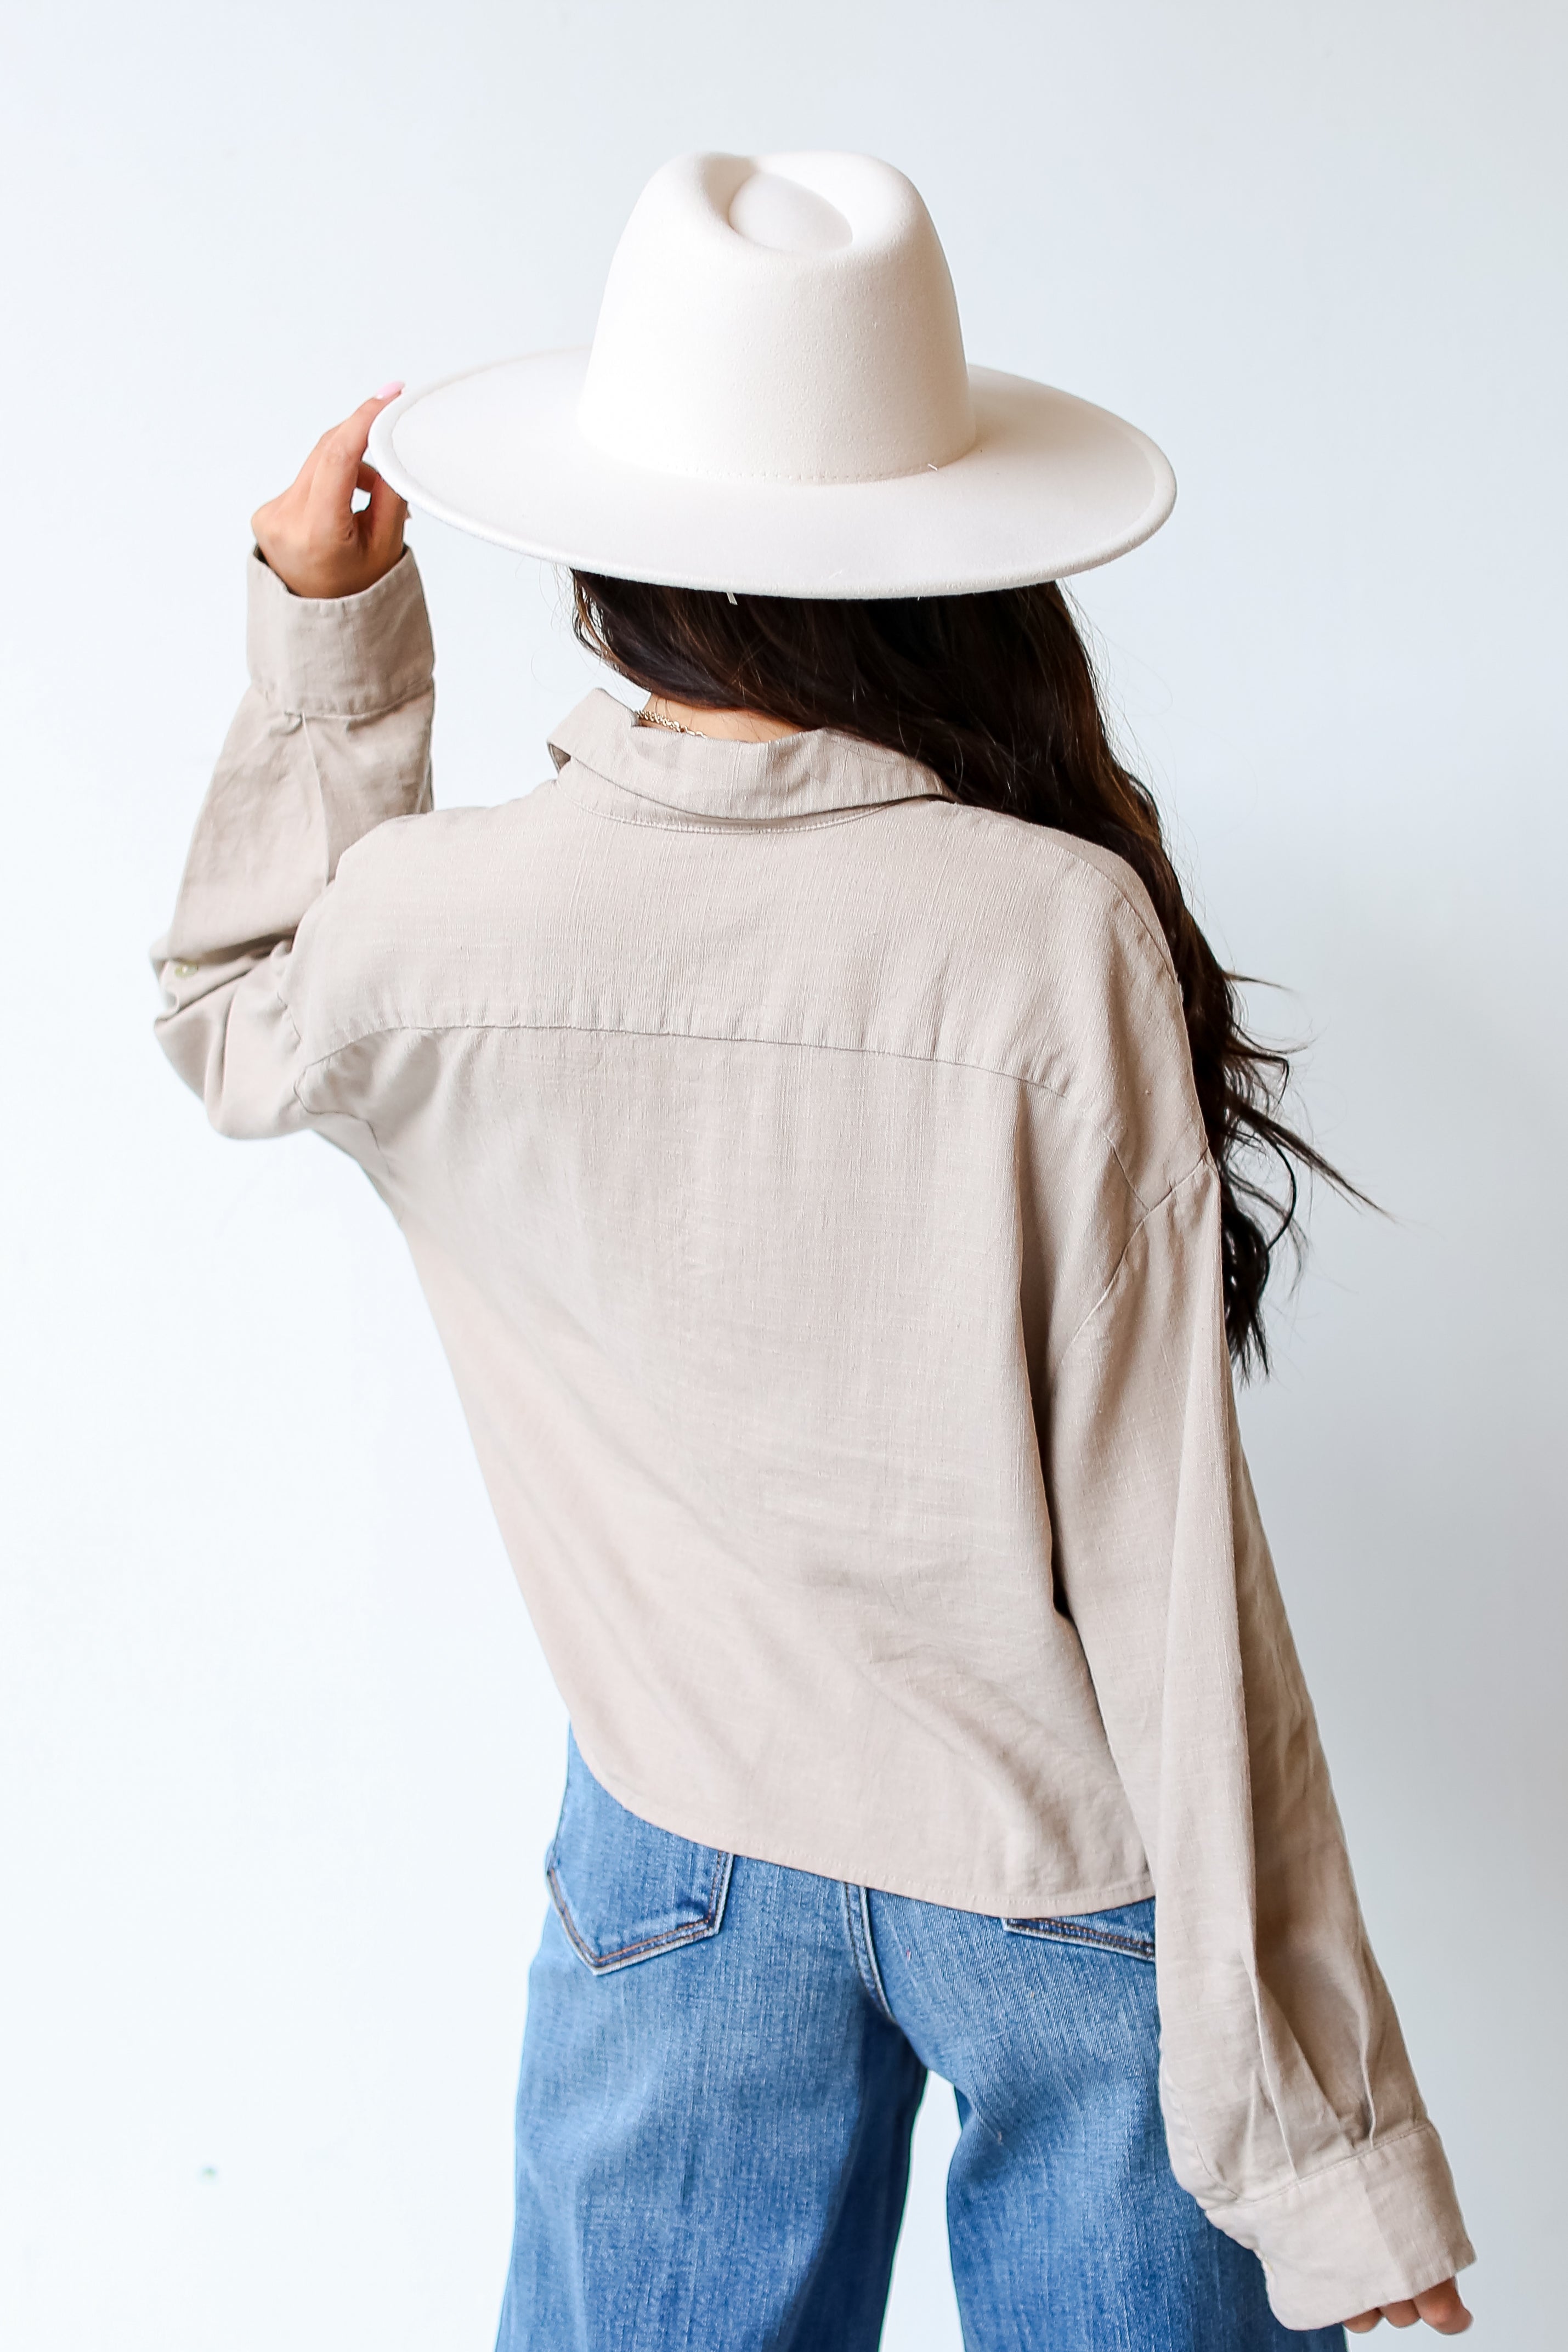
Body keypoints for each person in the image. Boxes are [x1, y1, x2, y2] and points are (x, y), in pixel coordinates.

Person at [153, 152, 1475, 2348]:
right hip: (1058, 1869)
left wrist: (327, 623)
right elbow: (1165, 1555)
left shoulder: (438, 922)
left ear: (604, 546)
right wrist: (1331, 2155)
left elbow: (230, 1005)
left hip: (671, 1835)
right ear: (938, 565)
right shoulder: (1047, 929)